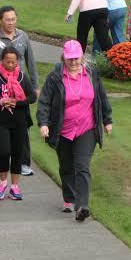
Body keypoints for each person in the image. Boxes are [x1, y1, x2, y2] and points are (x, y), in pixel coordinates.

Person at [37, 40, 113, 222]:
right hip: (63, 129)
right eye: (69, 58)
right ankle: (69, 198)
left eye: (76, 58)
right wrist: (44, 123)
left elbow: (101, 97)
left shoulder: (91, 74)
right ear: (63, 57)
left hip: (87, 128)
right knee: (66, 165)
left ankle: (82, 206)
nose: (73, 62)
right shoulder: (55, 77)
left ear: (82, 56)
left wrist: (107, 120)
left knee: (82, 166)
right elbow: (45, 101)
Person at [0, 5, 38, 176]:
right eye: (7, 19)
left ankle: (23, 162)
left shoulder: (23, 37)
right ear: (1, 20)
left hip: (20, 89)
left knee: (23, 125)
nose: (11, 23)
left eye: (13, 19)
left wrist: (35, 86)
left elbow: (31, 62)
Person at [0, 46, 36, 201]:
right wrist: (0, 101)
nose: (11, 65)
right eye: (7, 62)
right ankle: (3, 182)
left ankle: (15, 186)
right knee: (4, 152)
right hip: (0, 121)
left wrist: (17, 103)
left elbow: (32, 97)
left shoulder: (22, 78)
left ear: (17, 61)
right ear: (2, 61)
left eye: (13, 62)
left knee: (17, 154)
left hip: (19, 122)